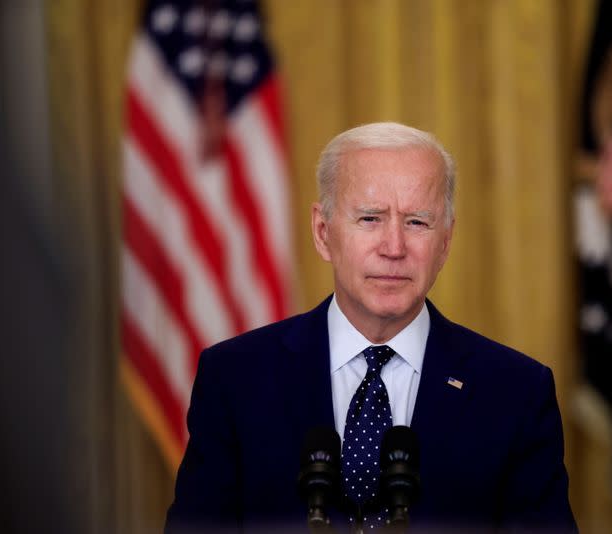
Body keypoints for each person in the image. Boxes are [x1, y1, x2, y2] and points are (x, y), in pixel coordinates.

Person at [165, 122, 576, 533]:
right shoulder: (235, 380)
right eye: (370, 218)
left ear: (446, 242)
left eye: (417, 222)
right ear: (323, 232)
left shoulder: (516, 393)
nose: (394, 247)